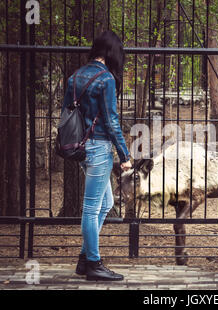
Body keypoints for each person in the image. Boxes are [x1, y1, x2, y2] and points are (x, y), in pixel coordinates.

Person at [61, 30, 132, 281]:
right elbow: (112, 122)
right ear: (113, 52)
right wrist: (124, 155)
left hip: (80, 148)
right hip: (99, 148)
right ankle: (94, 263)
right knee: (91, 208)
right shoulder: (107, 79)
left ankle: (84, 259)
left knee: (106, 204)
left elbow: (69, 113)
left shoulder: (75, 76)